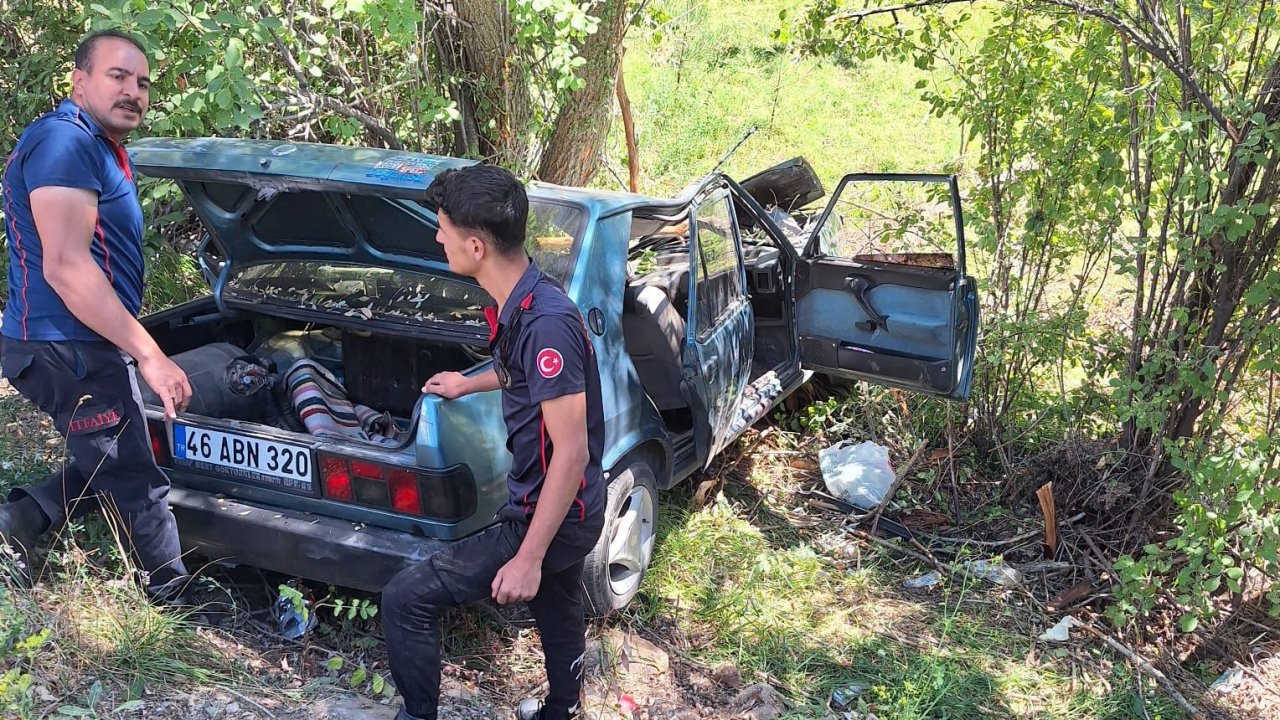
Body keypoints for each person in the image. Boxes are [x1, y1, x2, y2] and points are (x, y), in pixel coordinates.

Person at [381, 165, 606, 720]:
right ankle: (563, 709)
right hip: (567, 507)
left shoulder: (546, 323)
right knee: (559, 605)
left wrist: (528, 556)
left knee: (407, 598)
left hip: (552, 513)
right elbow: (522, 373)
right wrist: (468, 381)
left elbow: (571, 451)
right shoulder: (526, 297)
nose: (437, 239)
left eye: (443, 230)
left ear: (476, 246)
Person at [0, 29, 194, 597]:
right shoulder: (66, 143)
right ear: (79, 80)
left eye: (142, 82)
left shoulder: (94, 143)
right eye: (118, 76)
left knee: (109, 450)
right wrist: (150, 355)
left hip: (72, 341)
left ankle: (19, 523)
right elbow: (66, 267)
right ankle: (172, 597)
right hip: (66, 346)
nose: (133, 91)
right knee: (136, 475)